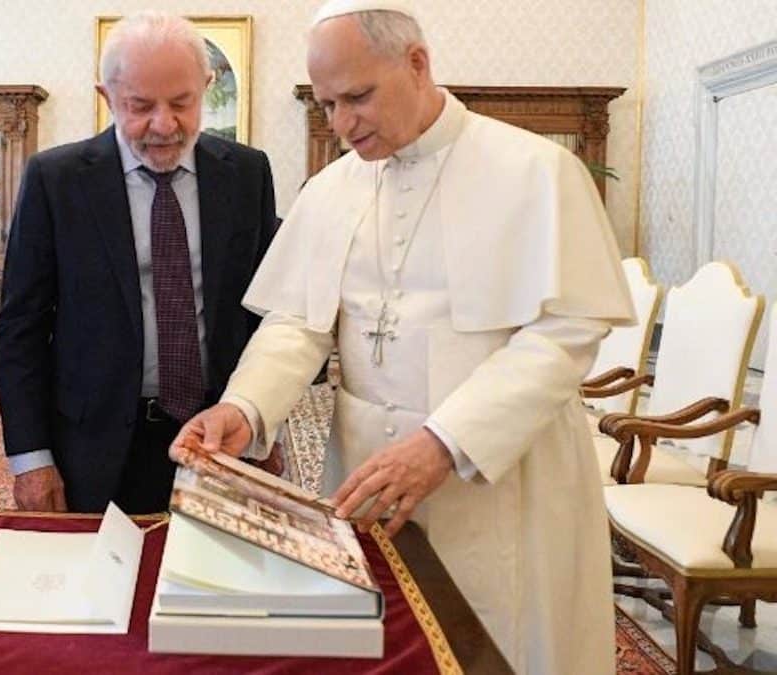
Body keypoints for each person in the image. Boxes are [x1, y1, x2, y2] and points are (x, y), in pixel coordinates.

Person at [169, 2, 635, 673]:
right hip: (368, 474)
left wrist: (447, 440)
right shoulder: (331, 188)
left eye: (358, 97)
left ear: (417, 64)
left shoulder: (534, 170)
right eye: (328, 104)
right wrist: (244, 408)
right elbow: (297, 324)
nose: (342, 124)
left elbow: (566, 331)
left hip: (502, 478)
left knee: (505, 648)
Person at [0, 11, 278, 515]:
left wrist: (261, 421)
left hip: (217, 434)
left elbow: (261, 314)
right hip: (93, 442)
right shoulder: (56, 181)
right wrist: (30, 458)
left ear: (206, 86)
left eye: (182, 103)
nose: (164, 125)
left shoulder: (246, 174)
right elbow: (22, 328)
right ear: (107, 97)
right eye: (141, 106)